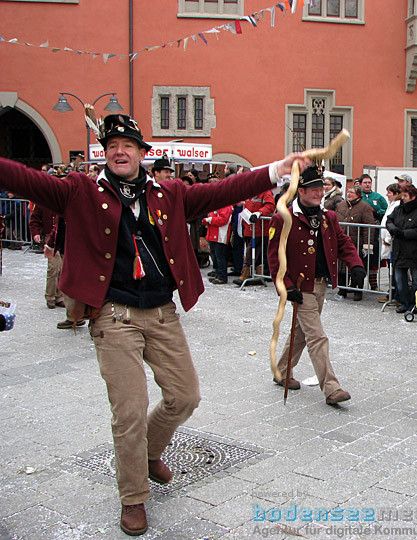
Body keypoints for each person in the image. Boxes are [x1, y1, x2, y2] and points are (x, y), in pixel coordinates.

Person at [0, 113, 309, 536]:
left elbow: (222, 190)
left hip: (162, 311)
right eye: (111, 147)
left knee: (184, 397)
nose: (119, 152)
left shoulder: (170, 193)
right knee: (127, 412)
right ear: (104, 154)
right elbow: (25, 181)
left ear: (142, 153)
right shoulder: (80, 191)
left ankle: (148, 452)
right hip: (113, 315)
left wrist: (275, 170)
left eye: (127, 145)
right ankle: (133, 497)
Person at [267, 164, 365, 405]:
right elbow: (273, 256)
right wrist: (285, 285)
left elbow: (342, 242)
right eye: (313, 189)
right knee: (317, 336)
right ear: (299, 191)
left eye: (321, 188)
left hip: (320, 284)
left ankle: (281, 371)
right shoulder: (283, 217)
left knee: (301, 332)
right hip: (300, 286)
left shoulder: (327, 217)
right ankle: (331, 388)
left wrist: (355, 264)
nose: (319, 193)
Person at [385, 184, 417, 313]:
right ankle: (404, 302)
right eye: (402, 195)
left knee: (416, 279)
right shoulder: (399, 209)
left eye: (405, 195)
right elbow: (389, 220)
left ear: (413, 196)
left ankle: (414, 303)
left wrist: (404, 233)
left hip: (415, 250)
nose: (403, 198)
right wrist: (393, 229)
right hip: (399, 248)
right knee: (400, 278)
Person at [335, 185, 375, 300]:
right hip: (342, 241)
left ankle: (358, 290)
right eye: (348, 192)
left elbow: (368, 227)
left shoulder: (364, 206)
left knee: (357, 267)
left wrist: (367, 244)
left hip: (357, 242)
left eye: (351, 192)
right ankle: (342, 289)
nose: (348, 194)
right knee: (341, 268)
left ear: (358, 194)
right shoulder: (341, 205)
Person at [29, 202, 64, 309]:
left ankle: (60, 296)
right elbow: (34, 219)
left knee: (63, 268)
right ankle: (50, 296)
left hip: (64, 237)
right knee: (54, 266)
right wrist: (35, 233)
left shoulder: (65, 200)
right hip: (50, 237)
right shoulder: (43, 202)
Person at [359, 174, 387, 291]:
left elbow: (386, 209)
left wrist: (377, 212)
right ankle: (355, 284)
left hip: (373, 232)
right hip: (359, 232)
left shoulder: (378, 197)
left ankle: (373, 285)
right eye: (365, 182)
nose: (367, 184)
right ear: (360, 184)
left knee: (372, 257)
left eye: (369, 182)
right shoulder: (357, 195)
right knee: (359, 257)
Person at [379, 183, 402, 305]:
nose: (387, 195)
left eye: (389, 192)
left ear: (396, 194)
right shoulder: (392, 204)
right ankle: (391, 293)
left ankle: (395, 295)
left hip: (391, 243)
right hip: (387, 242)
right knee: (390, 270)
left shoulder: (397, 205)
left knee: (394, 270)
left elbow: (392, 223)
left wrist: (388, 239)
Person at [202, 204, 233, 284]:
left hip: (220, 236)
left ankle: (222, 277)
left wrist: (210, 220)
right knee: (215, 255)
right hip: (213, 234)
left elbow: (223, 220)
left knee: (220, 256)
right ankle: (218, 273)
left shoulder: (226, 206)